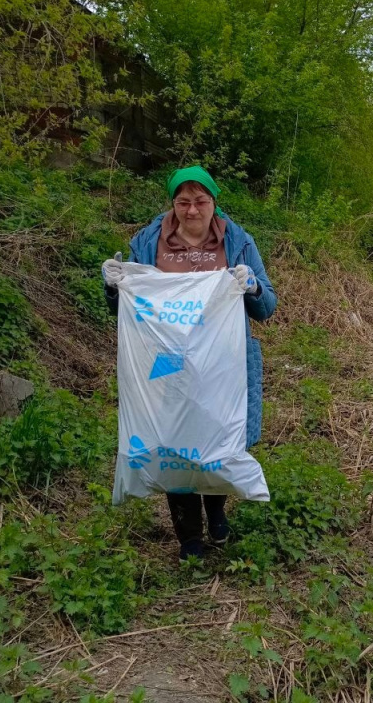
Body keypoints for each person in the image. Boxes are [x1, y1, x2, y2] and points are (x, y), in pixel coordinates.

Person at [102, 165, 277, 560]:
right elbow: (126, 308)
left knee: (214, 439)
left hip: (222, 363)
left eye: (201, 201)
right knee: (173, 440)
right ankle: (190, 540)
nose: (192, 210)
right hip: (165, 363)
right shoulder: (149, 243)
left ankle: (217, 518)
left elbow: (267, 307)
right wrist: (114, 287)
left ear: (214, 202)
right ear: (173, 204)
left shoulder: (238, 242)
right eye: (183, 201)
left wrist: (251, 286)